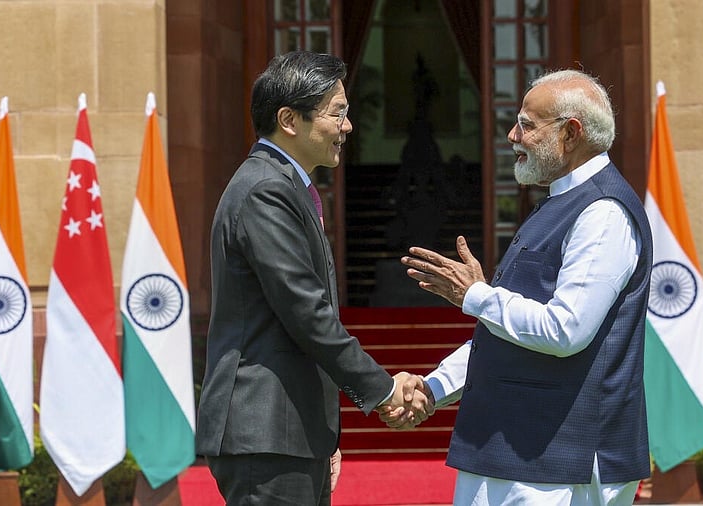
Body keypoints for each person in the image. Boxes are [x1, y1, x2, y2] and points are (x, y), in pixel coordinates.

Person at [383, 69, 653, 505]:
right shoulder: (558, 202)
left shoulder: (603, 211)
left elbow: (565, 331)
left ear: (571, 133)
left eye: (527, 124)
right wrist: (434, 388)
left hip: (561, 461)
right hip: (510, 451)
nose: (513, 135)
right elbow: (503, 336)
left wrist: (474, 294)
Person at [195, 51, 432, 505]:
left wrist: (321, 434)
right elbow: (306, 312)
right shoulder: (266, 190)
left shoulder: (282, 184)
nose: (347, 127)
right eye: (337, 113)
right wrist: (384, 390)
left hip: (288, 431)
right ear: (289, 119)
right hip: (265, 432)